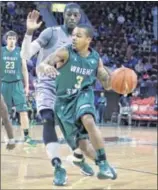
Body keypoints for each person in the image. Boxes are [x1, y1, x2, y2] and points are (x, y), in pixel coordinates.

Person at [21, 4, 95, 186]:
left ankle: (78, 158)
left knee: (71, 130)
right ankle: (57, 166)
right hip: (46, 84)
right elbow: (26, 54)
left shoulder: (80, 41)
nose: (72, 17)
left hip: (68, 88)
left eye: (75, 15)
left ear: (79, 18)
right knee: (48, 118)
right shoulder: (51, 33)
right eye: (68, 14)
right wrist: (29, 33)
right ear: (63, 15)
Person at [38, 24, 117, 180]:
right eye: (73, 35)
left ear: (89, 39)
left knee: (88, 119)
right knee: (83, 147)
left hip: (83, 95)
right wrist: (45, 67)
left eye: (78, 36)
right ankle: (82, 161)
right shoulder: (65, 52)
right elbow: (43, 64)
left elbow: (107, 84)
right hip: (63, 102)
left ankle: (103, 163)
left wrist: (117, 80)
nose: (73, 38)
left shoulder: (95, 59)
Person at [1, 30, 35, 146]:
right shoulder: (1, 51)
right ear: (6, 40)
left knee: (23, 111)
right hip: (3, 84)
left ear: (16, 40)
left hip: (17, 84)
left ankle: (27, 136)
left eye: (13, 38)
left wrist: (26, 86)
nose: (11, 40)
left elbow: (24, 69)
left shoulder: (20, 52)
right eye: (9, 38)